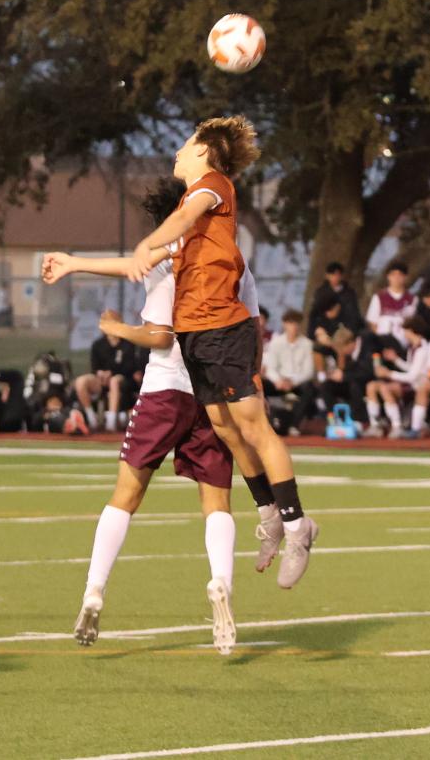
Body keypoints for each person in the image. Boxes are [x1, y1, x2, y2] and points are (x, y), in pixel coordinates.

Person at [45, 115, 318, 587]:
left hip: (223, 329)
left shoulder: (213, 186)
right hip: (196, 336)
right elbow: (140, 260)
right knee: (226, 431)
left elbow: (181, 219)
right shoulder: (187, 231)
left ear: (206, 151)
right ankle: (270, 516)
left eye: (185, 144)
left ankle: (297, 527)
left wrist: (147, 243)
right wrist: (75, 263)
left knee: (252, 427)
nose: (177, 152)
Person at [49, 179, 252, 654]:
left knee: (126, 494)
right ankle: (221, 582)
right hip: (213, 389)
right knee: (217, 501)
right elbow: (250, 322)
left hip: (167, 390)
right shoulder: (231, 257)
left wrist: (118, 327)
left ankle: (94, 590)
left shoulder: (170, 256)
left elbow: (161, 335)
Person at [76, 324, 146, 432]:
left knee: (114, 381)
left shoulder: (127, 344)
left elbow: (130, 367)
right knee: (81, 382)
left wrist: (112, 373)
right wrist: (99, 373)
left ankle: (111, 422)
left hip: (123, 380)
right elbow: (94, 367)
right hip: (101, 380)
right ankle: (91, 418)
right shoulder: (98, 344)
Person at [262, 311, 319, 437]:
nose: (294, 327)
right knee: (260, 385)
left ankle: (294, 425)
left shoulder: (307, 344)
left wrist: (293, 381)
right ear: (284, 324)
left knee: (309, 388)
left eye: (297, 323)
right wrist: (278, 380)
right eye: (291, 323)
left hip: (297, 383)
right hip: (279, 383)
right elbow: (271, 368)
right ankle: (265, 422)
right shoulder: (276, 343)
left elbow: (308, 371)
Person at [307, 262, 363, 352]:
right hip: (325, 328)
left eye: (338, 275)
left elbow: (354, 314)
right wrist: (316, 330)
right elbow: (315, 314)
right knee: (318, 347)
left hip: (344, 328)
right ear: (327, 276)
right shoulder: (320, 293)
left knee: (341, 345)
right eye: (333, 274)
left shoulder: (349, 293)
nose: (335, 277)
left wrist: (351, 330)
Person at [364, 262, 417, 342]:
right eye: (393, 274)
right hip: (383, 342)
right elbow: (373, 323)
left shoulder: (412, 299)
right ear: (388, 277)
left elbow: (413, 324)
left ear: (405, 277)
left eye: (400, 275)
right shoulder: (379, 297)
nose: (396, 278)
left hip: (403, 343)